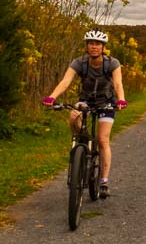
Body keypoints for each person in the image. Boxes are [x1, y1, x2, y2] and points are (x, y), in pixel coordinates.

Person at [41, 28, 127, 198]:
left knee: (103, 140)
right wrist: (52, 97)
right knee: (73, 116)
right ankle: (83, 141)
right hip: (86, 100)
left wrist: (121, 99)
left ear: (103, 47)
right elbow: (65, 81)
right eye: (91, 43)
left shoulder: (112, 63)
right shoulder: (79, 63)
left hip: (106, 102)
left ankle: (103, 181)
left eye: (97, 44)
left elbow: (118, 83)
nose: (94, 47)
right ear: (86, 46)